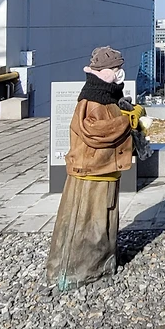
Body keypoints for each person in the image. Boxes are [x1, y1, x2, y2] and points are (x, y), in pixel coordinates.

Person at [46, 46, 134, 290]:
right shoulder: (94, 99)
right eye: (117, 69)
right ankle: (82, 269)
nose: (120, 73)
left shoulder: (105, 94)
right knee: (89, 220)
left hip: (102, 168)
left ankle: (100, 263)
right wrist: (125, 121)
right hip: (93, 170)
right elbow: (94, 132)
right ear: (105, 72)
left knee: (101, 218)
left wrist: (124, 111)